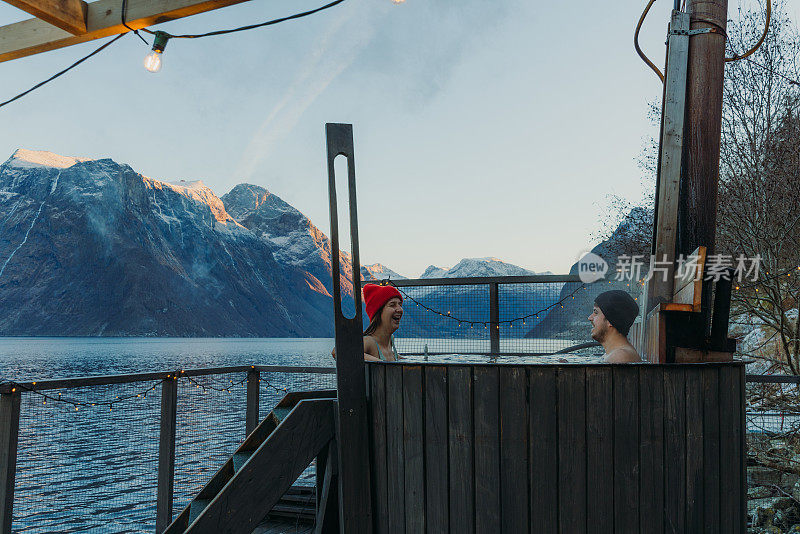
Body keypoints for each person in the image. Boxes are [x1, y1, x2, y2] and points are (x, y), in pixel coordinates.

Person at [331, 283, 403, 361]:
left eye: (400, 304)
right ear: (378, 313)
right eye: (392, 305)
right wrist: (380, 362)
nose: (400, 309)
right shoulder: (369, 341)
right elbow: (337, 352)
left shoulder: (390, 340)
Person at [588, 290, 641, 363]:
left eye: (596, 312)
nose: (590, 318)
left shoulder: (620, 356)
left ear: (610, 320)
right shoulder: (612, 355)